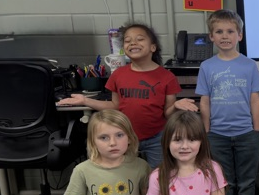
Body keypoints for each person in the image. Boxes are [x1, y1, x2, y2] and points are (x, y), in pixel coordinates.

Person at [58, 23, 198, 167]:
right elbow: (115, 106)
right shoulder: (118, 74)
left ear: (153, 47)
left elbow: (168, 113)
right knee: (127, 175)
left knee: (158, 175)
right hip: (125, 137)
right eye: (127, 40)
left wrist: (176, 106)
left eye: (140, 39)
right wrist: (85, 101)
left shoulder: (167, 77)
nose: (133, 43)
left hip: (157, 138)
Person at [196, 9, 259, 195]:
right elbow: (205, 101)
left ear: (240, 35)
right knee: (224, 183)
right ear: (211, 36)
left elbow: (255, 99)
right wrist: (206, 131)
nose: (225, 36)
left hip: (246, 133)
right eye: (219, 31)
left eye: (230, 31)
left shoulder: (249, 65)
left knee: (246, 182)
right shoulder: (207, 67)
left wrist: (256, 130)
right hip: (217, 134)